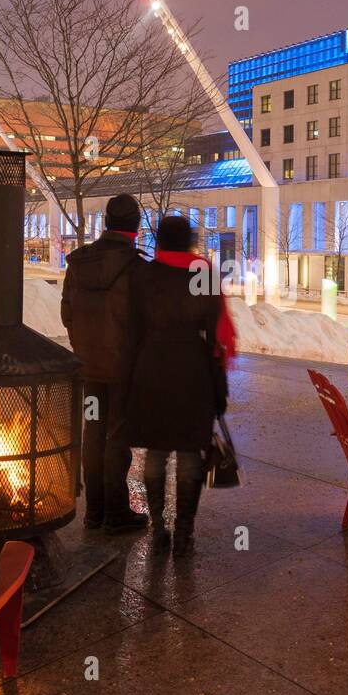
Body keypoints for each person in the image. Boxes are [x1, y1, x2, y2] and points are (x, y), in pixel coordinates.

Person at [126, 215, 233, 557]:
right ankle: (184, 532)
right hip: (193, 371)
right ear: (188, 241)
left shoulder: (143, 274)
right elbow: (220, 333)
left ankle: (159, 528)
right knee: (189, 453)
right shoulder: (202, 273)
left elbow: (130, 325)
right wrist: (220, 376)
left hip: (151, 368)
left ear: (159, 241)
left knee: (155, 451)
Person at [60, 194, 149, 535]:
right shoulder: (137, 268)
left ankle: (94, 511)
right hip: (123, 374)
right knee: (117, 438)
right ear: (136, 227)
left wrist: (83, 348)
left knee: (93, 435)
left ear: (107, 223)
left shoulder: (79, 263)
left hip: (89, 370)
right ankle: (116, 511)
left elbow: (67, 313)